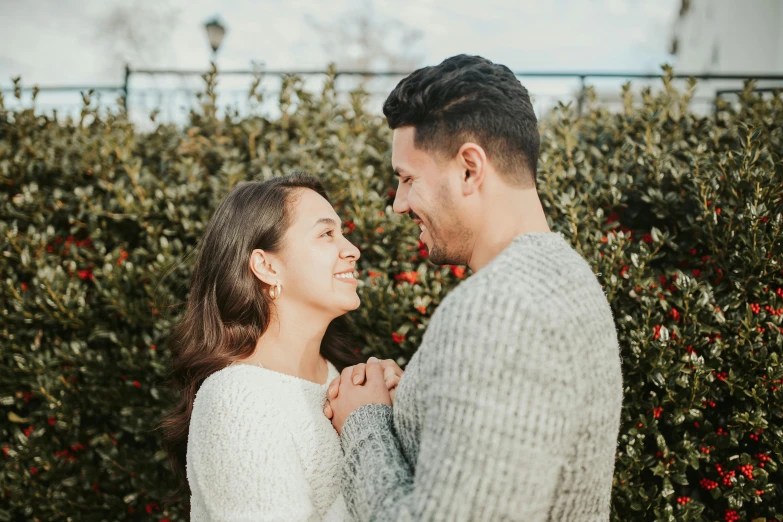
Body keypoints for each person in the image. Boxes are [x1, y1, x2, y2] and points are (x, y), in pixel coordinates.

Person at [324, 54, 624, 521]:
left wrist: (365, 423)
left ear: (469, 168)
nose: (398, 205)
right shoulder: (565, 276)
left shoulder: (500, 310)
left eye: (407, 179)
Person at [160, 173, 403, 521]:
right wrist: (367, 425)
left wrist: (398, 409)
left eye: (342, 233)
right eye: (326, 234)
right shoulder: (237, 399)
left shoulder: (339, 379)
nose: (352, 250)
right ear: (266, 266)